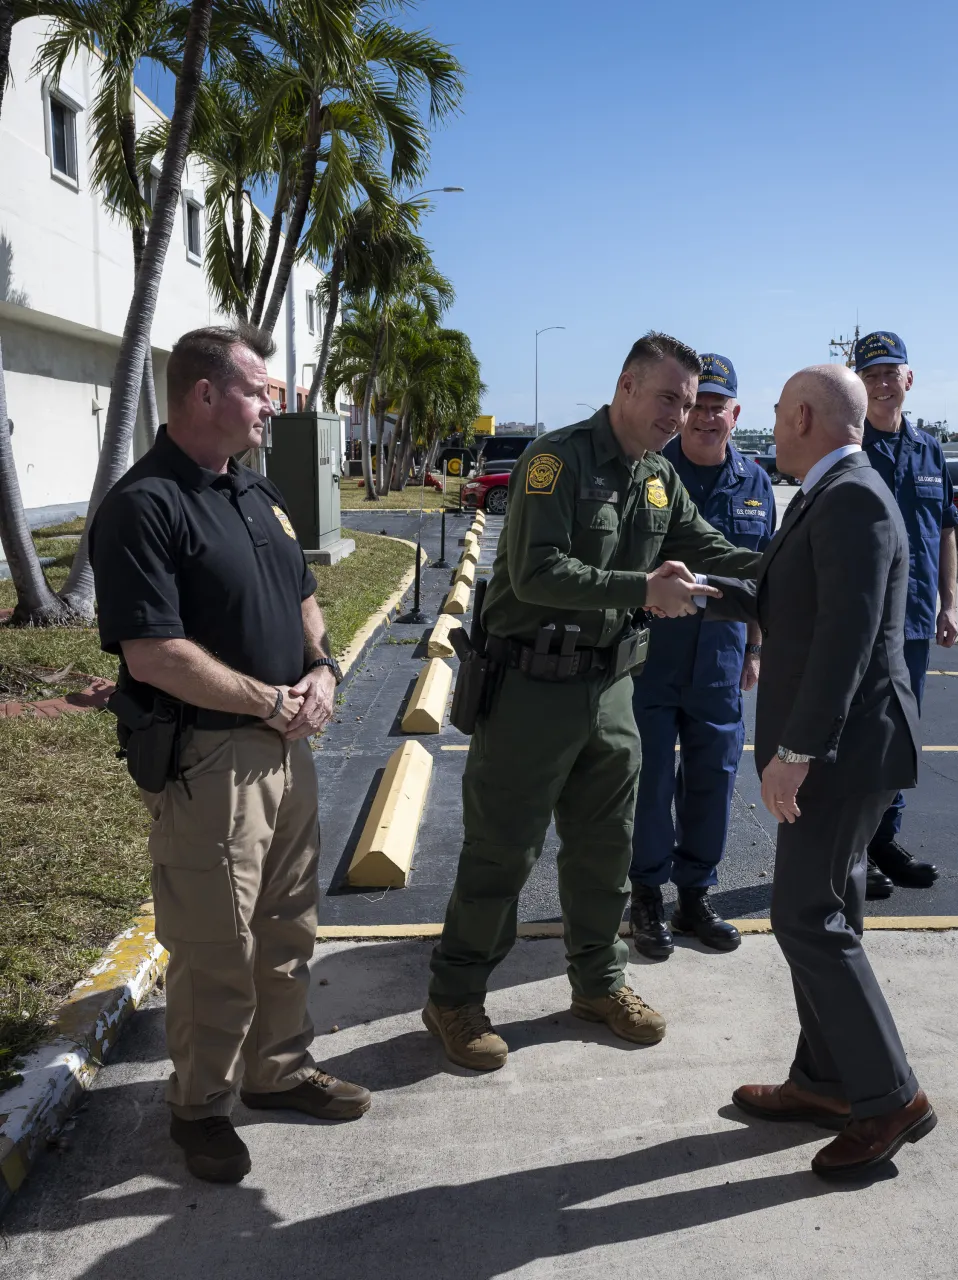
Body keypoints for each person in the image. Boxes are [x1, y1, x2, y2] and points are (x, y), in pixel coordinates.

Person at [423, 332, 763, 1073]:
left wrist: (789, 568)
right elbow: (538, 570)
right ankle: (454, 997)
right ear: (626, 387)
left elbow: (708, 547)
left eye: (692, 401)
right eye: (669, 397)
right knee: (503, 852)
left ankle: (598, 985)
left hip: (611, 691)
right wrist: (644, 590)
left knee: (606, 851)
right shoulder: (557, 460)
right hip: (529, 693)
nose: (680, 413)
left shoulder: (655, 478)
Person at [90, 325, 369, 1185]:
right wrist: (270, 700)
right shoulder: (145, 505)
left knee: (288, 927)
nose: (272, 404)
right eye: (259, 389)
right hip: (212, 762)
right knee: (215, 947)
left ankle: (278, 1071)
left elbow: (304, 595)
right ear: (205, 395)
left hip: (287, 751)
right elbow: (152, 653)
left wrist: (319, 669)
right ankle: (200, 1109)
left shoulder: (255, 492)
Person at [698, 364, 935, 1179]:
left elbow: (847, 639)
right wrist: (698, 591)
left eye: (775, 412)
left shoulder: (857, 497)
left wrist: (796, 755)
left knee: (806, 918)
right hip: (847, 747)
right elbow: (784, 596)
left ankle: (890, 1098)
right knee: (829, 910)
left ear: (803, 415)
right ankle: (827, 1080)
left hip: (842, 752)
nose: (770, 424)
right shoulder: (833, 495)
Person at [629, 354, 776, 959]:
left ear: (735, 413)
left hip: (721, 658)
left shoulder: (757, 483)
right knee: (650, 778)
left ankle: (694, 896)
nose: (707, 416)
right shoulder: (651, 474)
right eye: (699, 404)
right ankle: (644, 897)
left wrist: (757, 650)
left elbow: (763, 575)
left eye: (720, 405)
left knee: (713, 780)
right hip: (653, 657)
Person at [854, 331, 958, 899]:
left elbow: (945, 529)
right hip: (862, 620)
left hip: (915, 620)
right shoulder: (849, 446)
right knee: (857, 734)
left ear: (909, 379)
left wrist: (949, 604)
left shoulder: (929, 449)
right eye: (871, 375)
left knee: (902, 736)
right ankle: (852, 846)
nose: (882, 383)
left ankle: (883, 842)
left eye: (891, 372)